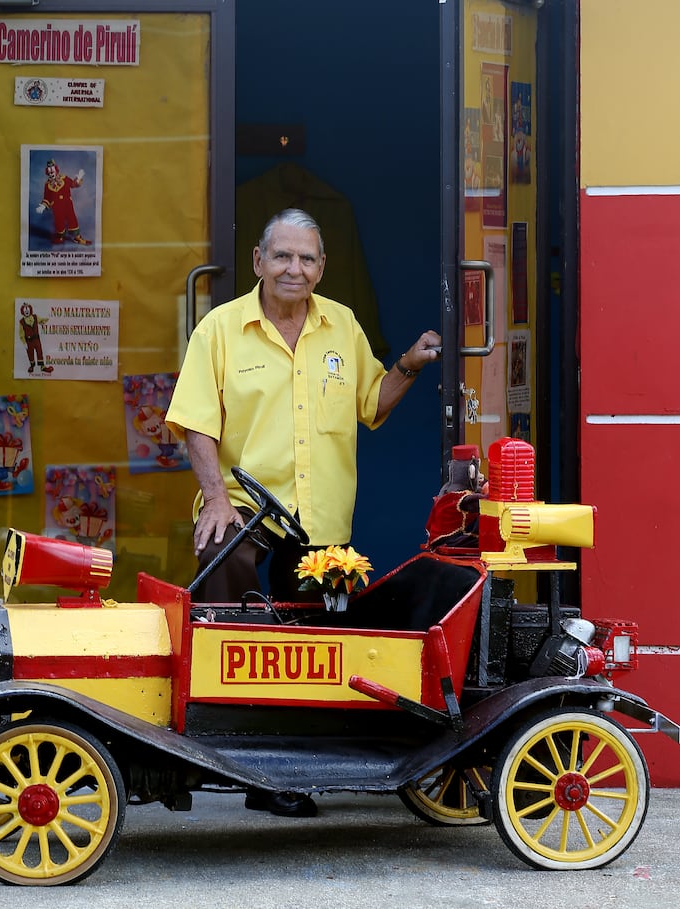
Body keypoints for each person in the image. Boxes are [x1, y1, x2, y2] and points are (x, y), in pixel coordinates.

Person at [165, 209, 440, 817]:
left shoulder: (342, 325)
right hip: (245, 505)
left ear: (321, 267)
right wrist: (215, 499)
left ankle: (285, 771)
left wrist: (409, 365)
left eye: (307, 258)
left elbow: (372, 403)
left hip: (319, 515)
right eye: (283, 256)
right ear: (258, 262)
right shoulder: (220, 329)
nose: (295, 268)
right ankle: (224, 742)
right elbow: (195, 424)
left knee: (315, 640)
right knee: (224, 569)